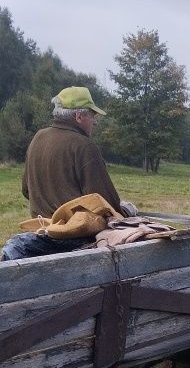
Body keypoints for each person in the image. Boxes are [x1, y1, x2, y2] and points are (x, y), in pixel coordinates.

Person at [1, 86, 137, 261]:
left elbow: (26, 191)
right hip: (74, 238)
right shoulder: (84, 146)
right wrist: (125, 211)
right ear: (79, 117)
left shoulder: (38, 137)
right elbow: (104, 202)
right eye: (92, 115)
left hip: (41, 231)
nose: (95, 122)